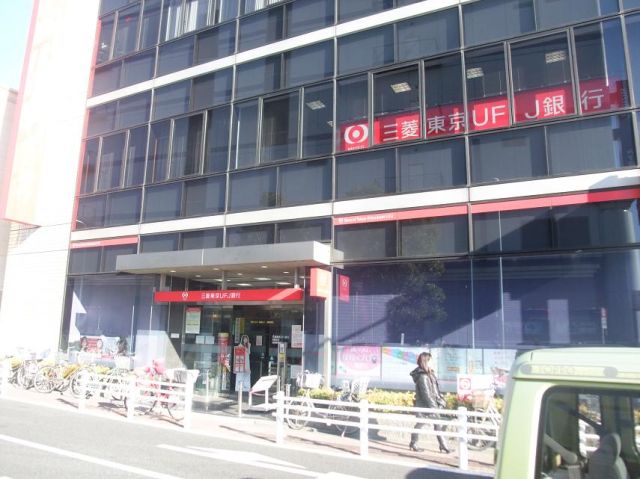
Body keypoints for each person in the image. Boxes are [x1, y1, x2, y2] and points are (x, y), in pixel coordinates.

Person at [409, 351, 451, 454]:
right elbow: (426, 394)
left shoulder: (430, 373)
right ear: (426, 361)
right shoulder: (423, 376)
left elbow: (435, 390)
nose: (433, 362)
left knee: (436, 424)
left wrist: (441, 400)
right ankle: (414, 443)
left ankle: (443, 445)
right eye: (431, 360)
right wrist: (435, 408)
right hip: (425, 405)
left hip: (432, 404)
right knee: (421, 423)